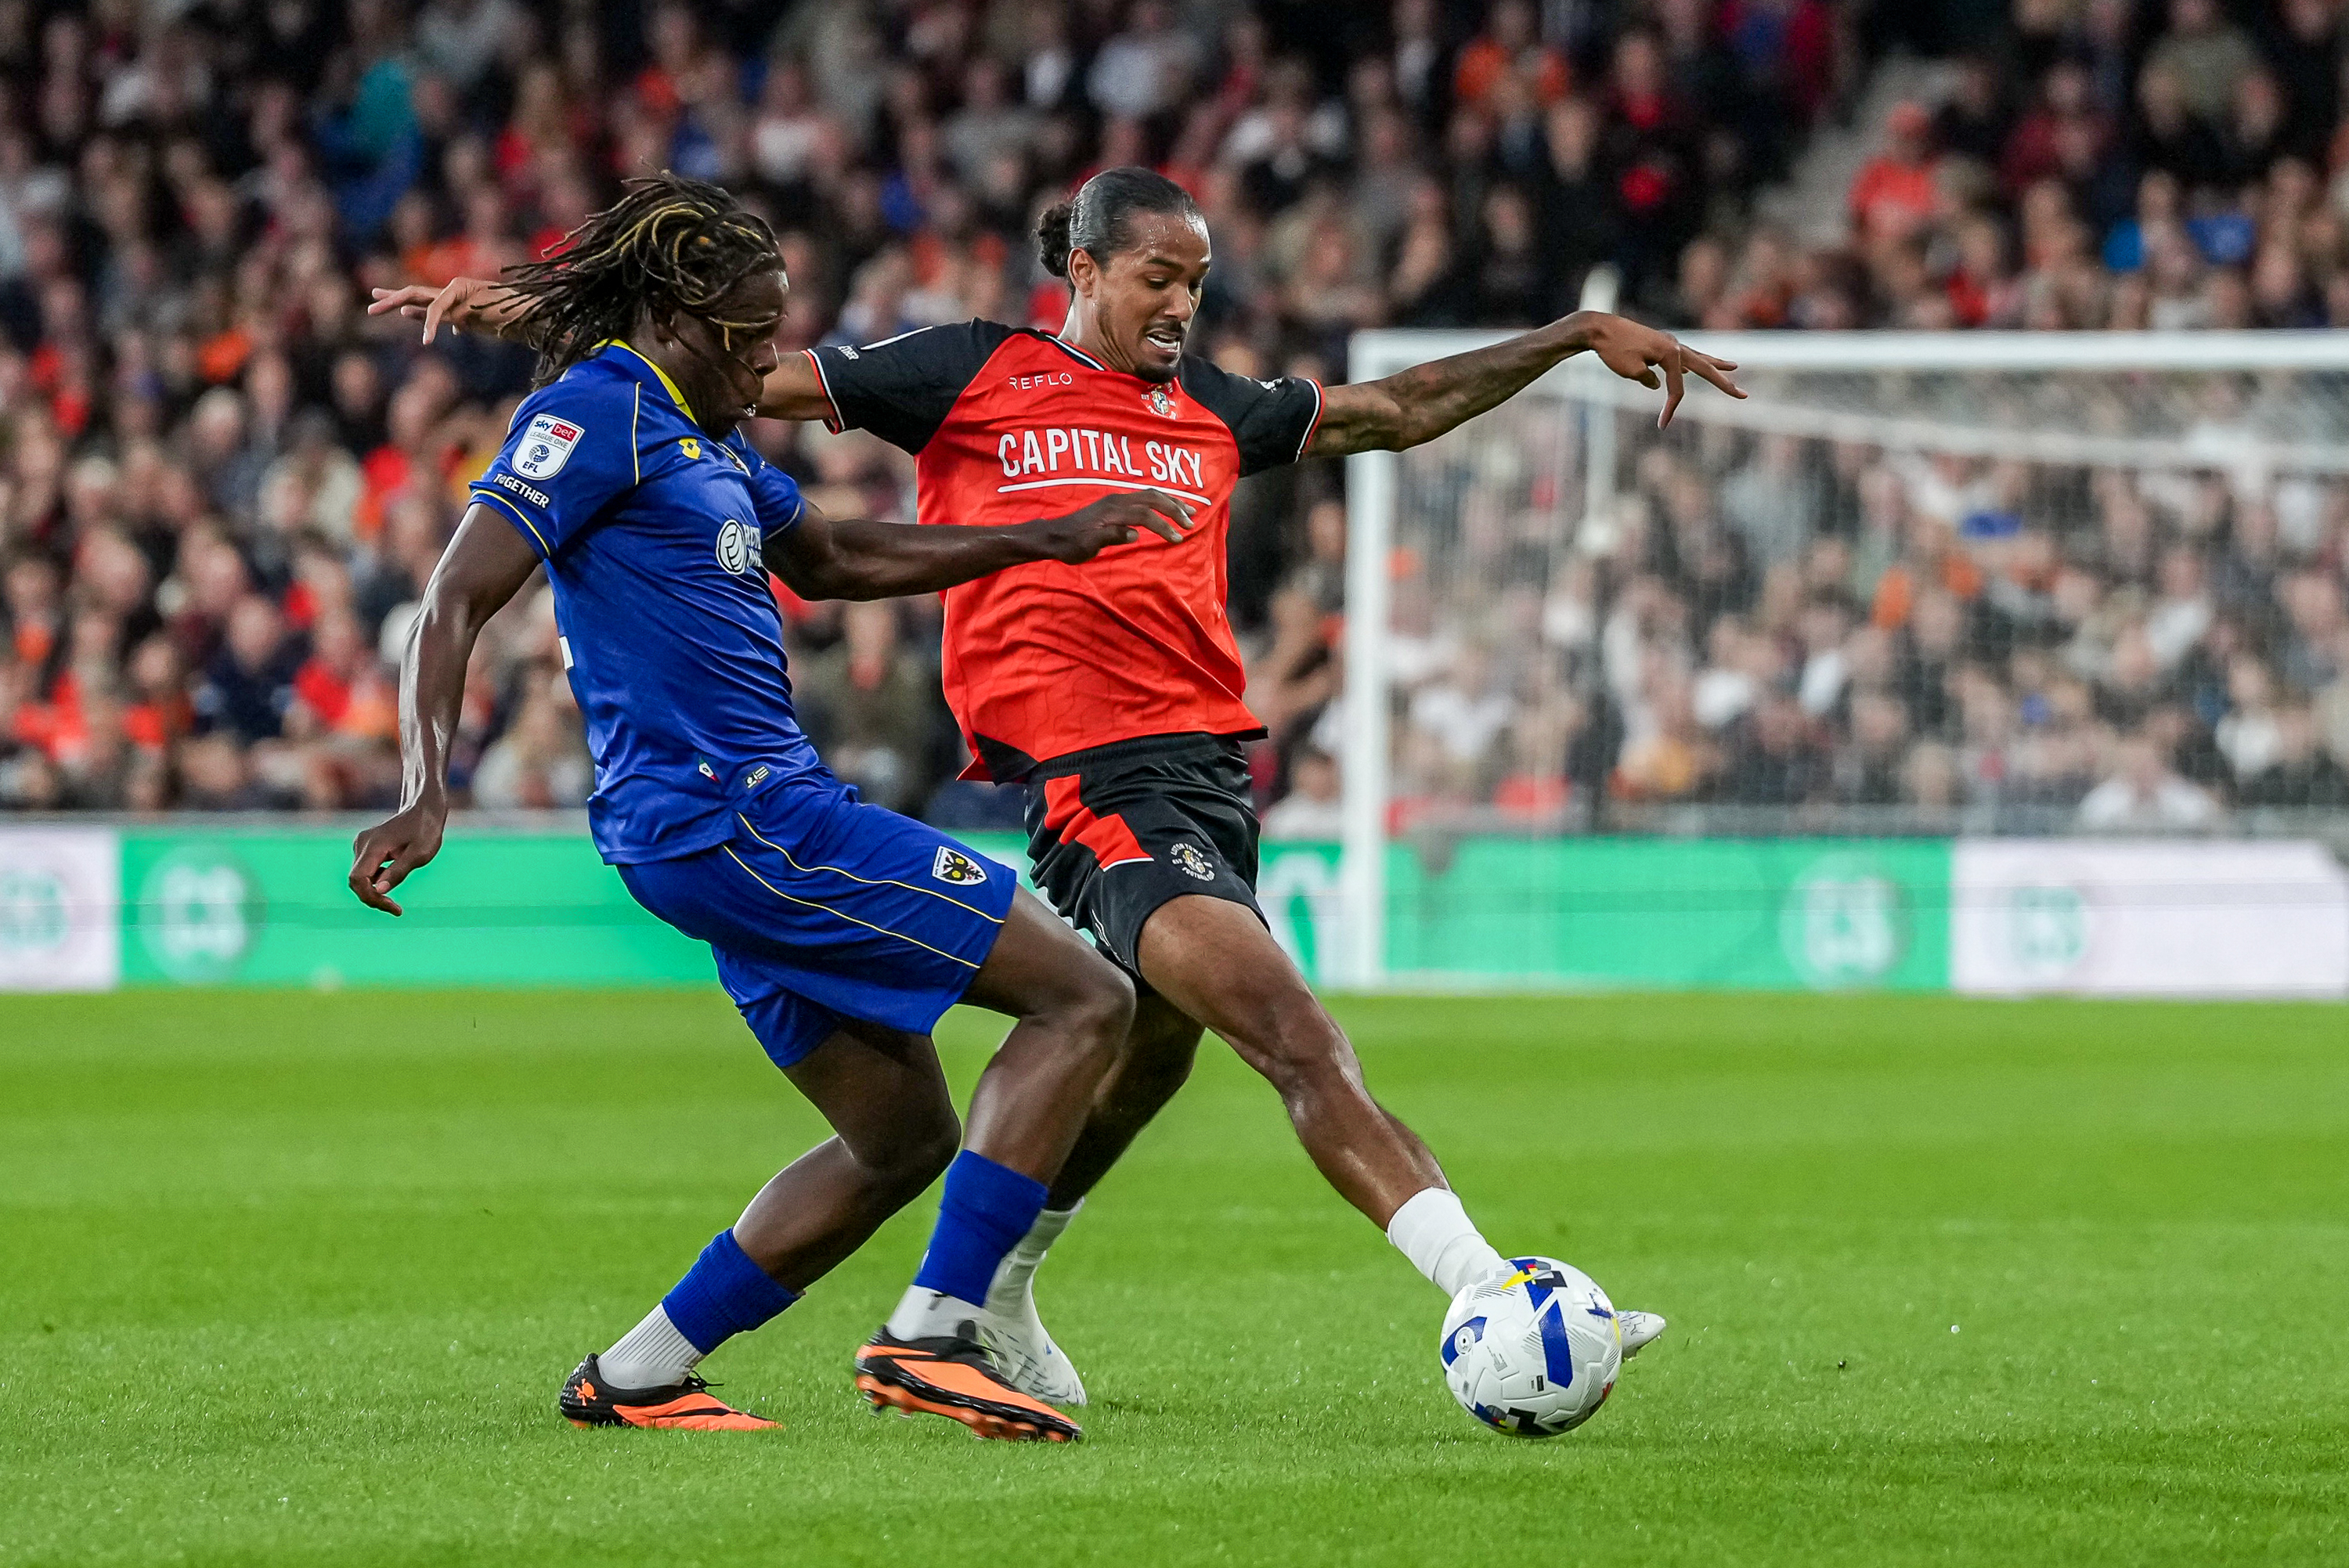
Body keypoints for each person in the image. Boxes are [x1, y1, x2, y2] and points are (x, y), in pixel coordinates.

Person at [373, 164, 1742, 1414]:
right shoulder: (963, 371)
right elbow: (732, 379)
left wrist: (1564, 339)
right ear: (1082, 270)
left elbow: (1392, 412)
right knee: (1256, 1025)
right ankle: (1480, 1292)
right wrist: (538, 316)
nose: (1180, 307)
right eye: (1159, 278)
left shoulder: (1206, 407)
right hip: (1067, 783)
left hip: (1207, 773)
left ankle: (797, 1337)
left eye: (1198, 286)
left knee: (1085, 1071)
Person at [352, 175, 1203, 1443]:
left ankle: (638, 1373)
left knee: (900, 1135)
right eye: (746, 336)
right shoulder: (596, 409)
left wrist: (1049, 535)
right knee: (1087, 997)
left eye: (773, 331)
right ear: (672, 313)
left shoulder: (711, 433)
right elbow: (455, 595)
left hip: (724, 829)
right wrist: (424, 791)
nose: (767, 358)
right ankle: (936, 1333)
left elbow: (840, 559)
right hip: (738, 815)